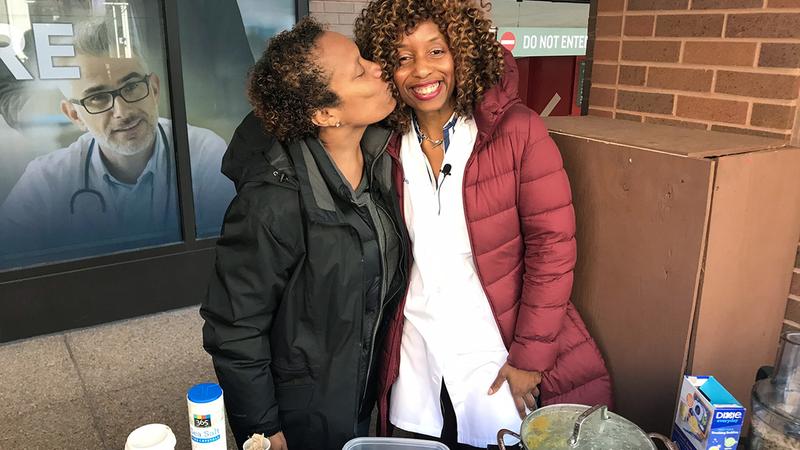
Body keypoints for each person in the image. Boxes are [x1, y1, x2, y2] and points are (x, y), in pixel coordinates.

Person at [354, 1, 614, 449]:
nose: (421, 70)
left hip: (495, 349)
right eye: (401, 57)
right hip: (417, 348)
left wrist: (531, 358)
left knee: (495, 437)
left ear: (462, 51)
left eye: (436, 51)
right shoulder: (386, 143)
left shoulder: (517, 131)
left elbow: (552, 248)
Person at [200, 18, 406, 450]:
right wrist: (263, 429)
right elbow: (235, 328)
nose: (379, 67)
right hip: (306, 416)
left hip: (371, 395)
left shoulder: (385, 162)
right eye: (359, 70)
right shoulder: (270, 204)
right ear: (325, 113)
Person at [0, 18, 234, 268]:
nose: (122, 111)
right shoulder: (46, 181)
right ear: (74, 115)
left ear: (154, 89)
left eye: (132, 87)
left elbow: (231, 257)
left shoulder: (204, 154)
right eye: (98, 97)